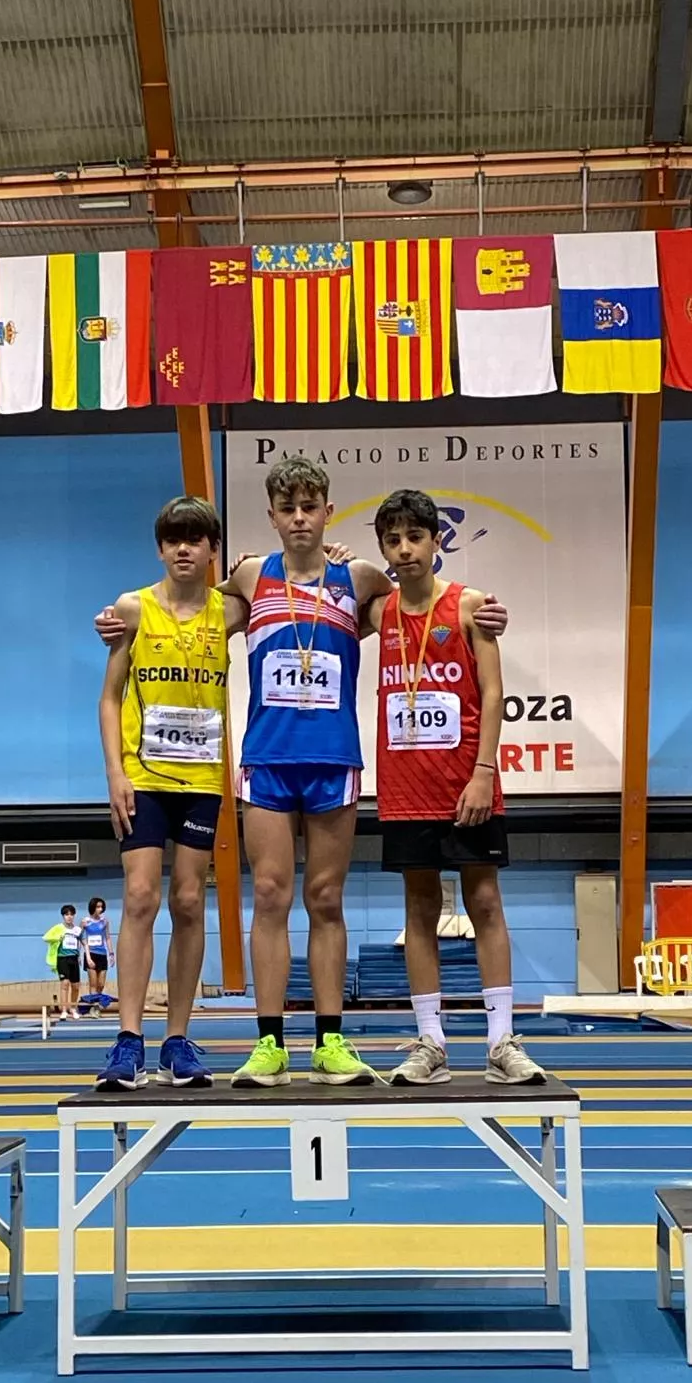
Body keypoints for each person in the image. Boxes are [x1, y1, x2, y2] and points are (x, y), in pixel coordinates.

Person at [221, 458, 509, 1090]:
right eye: (287, 508)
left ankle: (330, 1042)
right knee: (269, 896)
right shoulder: (248, 575)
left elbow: (425, 608)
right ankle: (268, 1044)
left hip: (335, 762)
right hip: (267, 760)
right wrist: (130, 618)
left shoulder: (359, 577)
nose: (299, 517)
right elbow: (184, 613)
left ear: (328, 511)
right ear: (272, 518)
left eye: (310, 505)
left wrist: (486, 621)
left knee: (325, 899)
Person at [367, 490, 543, 1087]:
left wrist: (484, 772)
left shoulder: (469, 606)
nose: (404, 549)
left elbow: (493, 693)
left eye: (415, 537)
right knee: (418, 909)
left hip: (467, 786)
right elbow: (333, 587)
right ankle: (430, 1044)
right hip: (404, 789)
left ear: (437, 540)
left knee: (484, 902)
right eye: (392, 540)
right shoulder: (380, 612)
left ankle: (500, 1043)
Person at [96, 495, 248, 1091]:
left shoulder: (230, 612)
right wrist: (115, 772)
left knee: (188, 902)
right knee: (139, 898)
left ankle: (177, 1039)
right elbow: (109, 697)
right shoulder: (132, 610)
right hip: (144, 778)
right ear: (160, 548)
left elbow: (283, 575)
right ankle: (128, 1039)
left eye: (194, 539)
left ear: (213, 550)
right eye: (171, 540)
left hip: (203, 781)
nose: (182, 549)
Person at [43, 903, 85, 1021]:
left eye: (71, 914)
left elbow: (81, 943)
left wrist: (81, 955)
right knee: (65, 984)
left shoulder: (77, 930)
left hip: (74, 959)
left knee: (75, 986)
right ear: (63, 916)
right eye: (66, 914)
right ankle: (64, 1010)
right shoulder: (58, 928)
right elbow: (46, 937)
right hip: (62, 958)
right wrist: (58, 938)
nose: (69, 917)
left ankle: (73, 1008)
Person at [81, 897, 114, 1005]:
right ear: (92, 908)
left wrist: (111, 953)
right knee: (93, 983)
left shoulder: (104, 921)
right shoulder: (85, 921)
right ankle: (94, 1008)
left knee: (101, 984)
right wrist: (81, 955)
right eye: (98, 907)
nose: (100, 909)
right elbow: (79, 937)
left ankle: (97, 1003)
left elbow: (107, 937)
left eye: (101, 907)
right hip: (91, 954)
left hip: (102, 954)